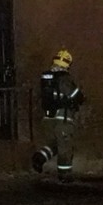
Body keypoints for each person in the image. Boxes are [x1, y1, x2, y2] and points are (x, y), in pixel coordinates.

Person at [34, 49, 85, 177]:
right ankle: (64, 175)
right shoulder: (64, 79)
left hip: (48, 119)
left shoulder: (47, 78)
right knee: (65, 148)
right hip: (63, 120)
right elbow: (77, 96)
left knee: (55, 145)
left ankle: (40, 157)